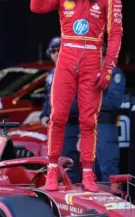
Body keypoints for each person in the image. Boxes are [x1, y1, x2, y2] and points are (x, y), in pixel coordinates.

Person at [30, 0, 123, 192]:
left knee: (88, 121)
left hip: (93, 60)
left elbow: (116, 36)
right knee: (58, 116)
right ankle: (52, 171)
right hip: (67, 59)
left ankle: (89, 175)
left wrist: (107, 68)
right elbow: (37, 6)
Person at [77, 45, 126, 184]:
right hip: (89, 126)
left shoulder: (115, 74)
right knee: (91, 171)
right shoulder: (89, 74)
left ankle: (113, 202)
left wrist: (92, 99)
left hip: (105, 127)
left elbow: (115, 102)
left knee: (108, 168)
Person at [40, 37, 81, 183]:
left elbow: (81, 101)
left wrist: (61, 109)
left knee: (68, 164)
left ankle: (72, 201)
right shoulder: (51, 74)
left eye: (59, 50)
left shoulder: (74, 70)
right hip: (55, 125)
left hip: (70, 125)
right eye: (53, 51)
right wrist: (44, 115)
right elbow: (48, 97)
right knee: (54, 163)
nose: (56, 53)